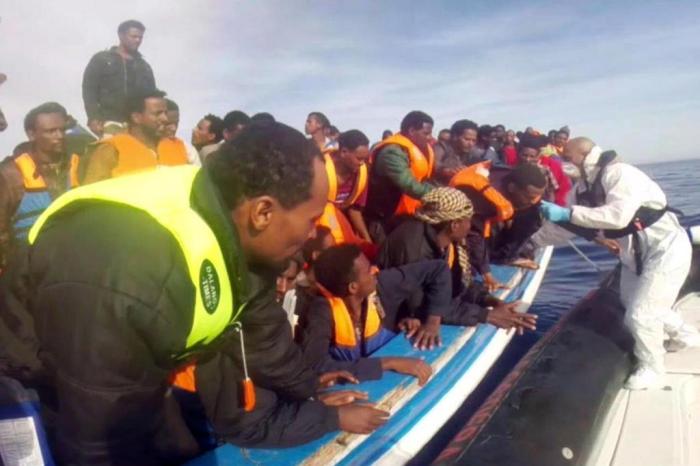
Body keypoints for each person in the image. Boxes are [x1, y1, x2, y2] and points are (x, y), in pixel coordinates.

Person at [0, 122, 388, 464]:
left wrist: (311, 394)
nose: (313, 234)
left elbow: (266, 343)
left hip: (138, 352)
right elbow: (101, 440)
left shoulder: (242, 232)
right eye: (310, 219)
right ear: (264, 212)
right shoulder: (129, 276)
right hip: (46, 372)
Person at [538, 137, 699, 390]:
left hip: (665, 248)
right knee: (634, 302)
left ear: (585, 156)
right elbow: (565, 228)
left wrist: (568, 214)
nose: (563, 163)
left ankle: (653, 368)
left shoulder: (621, 175)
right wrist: (532, 242)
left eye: (567, 158)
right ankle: (685, 336)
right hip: (635, 253)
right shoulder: (581, 189)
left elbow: (617, 216)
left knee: (641, 315)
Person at [378, 188, 537, 349]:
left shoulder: (444, 241)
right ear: (454, 224)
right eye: (468, 221)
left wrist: (491, 301)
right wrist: (486, 315)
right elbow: (423, 306)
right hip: (392, 321)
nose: (470, 226)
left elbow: (454, 286)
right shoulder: (413, 248)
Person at [299, 244, 437, 383]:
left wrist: (424, 322)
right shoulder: (321, 312)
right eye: (368, 270)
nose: (375, 270)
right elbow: (316, 366)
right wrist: (387, 363)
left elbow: (438, 269)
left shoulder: (379, 287)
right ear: (353, 287)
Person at [0, 102, 78, 270]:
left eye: (62, 130)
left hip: (72, 267)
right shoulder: (10, 174)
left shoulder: (78, 166)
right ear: (31, 134)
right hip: (26, 274)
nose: (60, 136)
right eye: (51, 131)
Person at [80, 89, 188, 184]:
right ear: (136, 117)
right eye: (157, 113)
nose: (165, 119)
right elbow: (92, 197)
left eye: (165, 113)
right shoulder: (110, 149)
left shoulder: (178, 147)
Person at [364, 110, 435, 243]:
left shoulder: (420, 149)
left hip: (408, 215)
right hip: (384, 219)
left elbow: (425, 180)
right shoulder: (392, 152)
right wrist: (439, 194)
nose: (430, 137)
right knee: (386, 258)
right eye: (426, 133)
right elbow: (408, 184)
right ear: (412, 130)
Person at [82, 20, 156, 137]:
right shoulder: (102, 59)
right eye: (134, 36)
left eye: (140, 37)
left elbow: (153, 98)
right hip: (109, 121)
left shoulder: (144, 67)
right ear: (121, 35)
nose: (137, 40)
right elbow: (89, 89)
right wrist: (93, 117)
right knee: (110, 153)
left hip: (137, 126)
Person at [317, 129, 372, 243]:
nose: (362, 163)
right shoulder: (320, 168)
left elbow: (355, 209)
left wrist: (367, 239)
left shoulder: (360, 173)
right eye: (359, 158)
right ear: (343, 152)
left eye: (364, 159)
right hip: (319, 228)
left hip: (343, 224)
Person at [488, 163, 548, 268]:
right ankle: (497, 256)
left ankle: (507, 255)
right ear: (512, 188)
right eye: (528, 197)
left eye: (537, 196)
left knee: (534, 215)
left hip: (509, 206)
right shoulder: (488, 194)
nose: (533, 201)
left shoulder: (530, 196)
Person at [433, 119, 479, 184]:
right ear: (455, 137)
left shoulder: (470, 153)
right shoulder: (442, 146)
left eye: (473, 140)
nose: (471, 144)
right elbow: (435, 165)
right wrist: (447, 171)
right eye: (467, 139)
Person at [160, 98, 201, 166]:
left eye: (176, 123)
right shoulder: (144, 147)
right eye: (168, 123)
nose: (173, 128)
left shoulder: (187, 148)